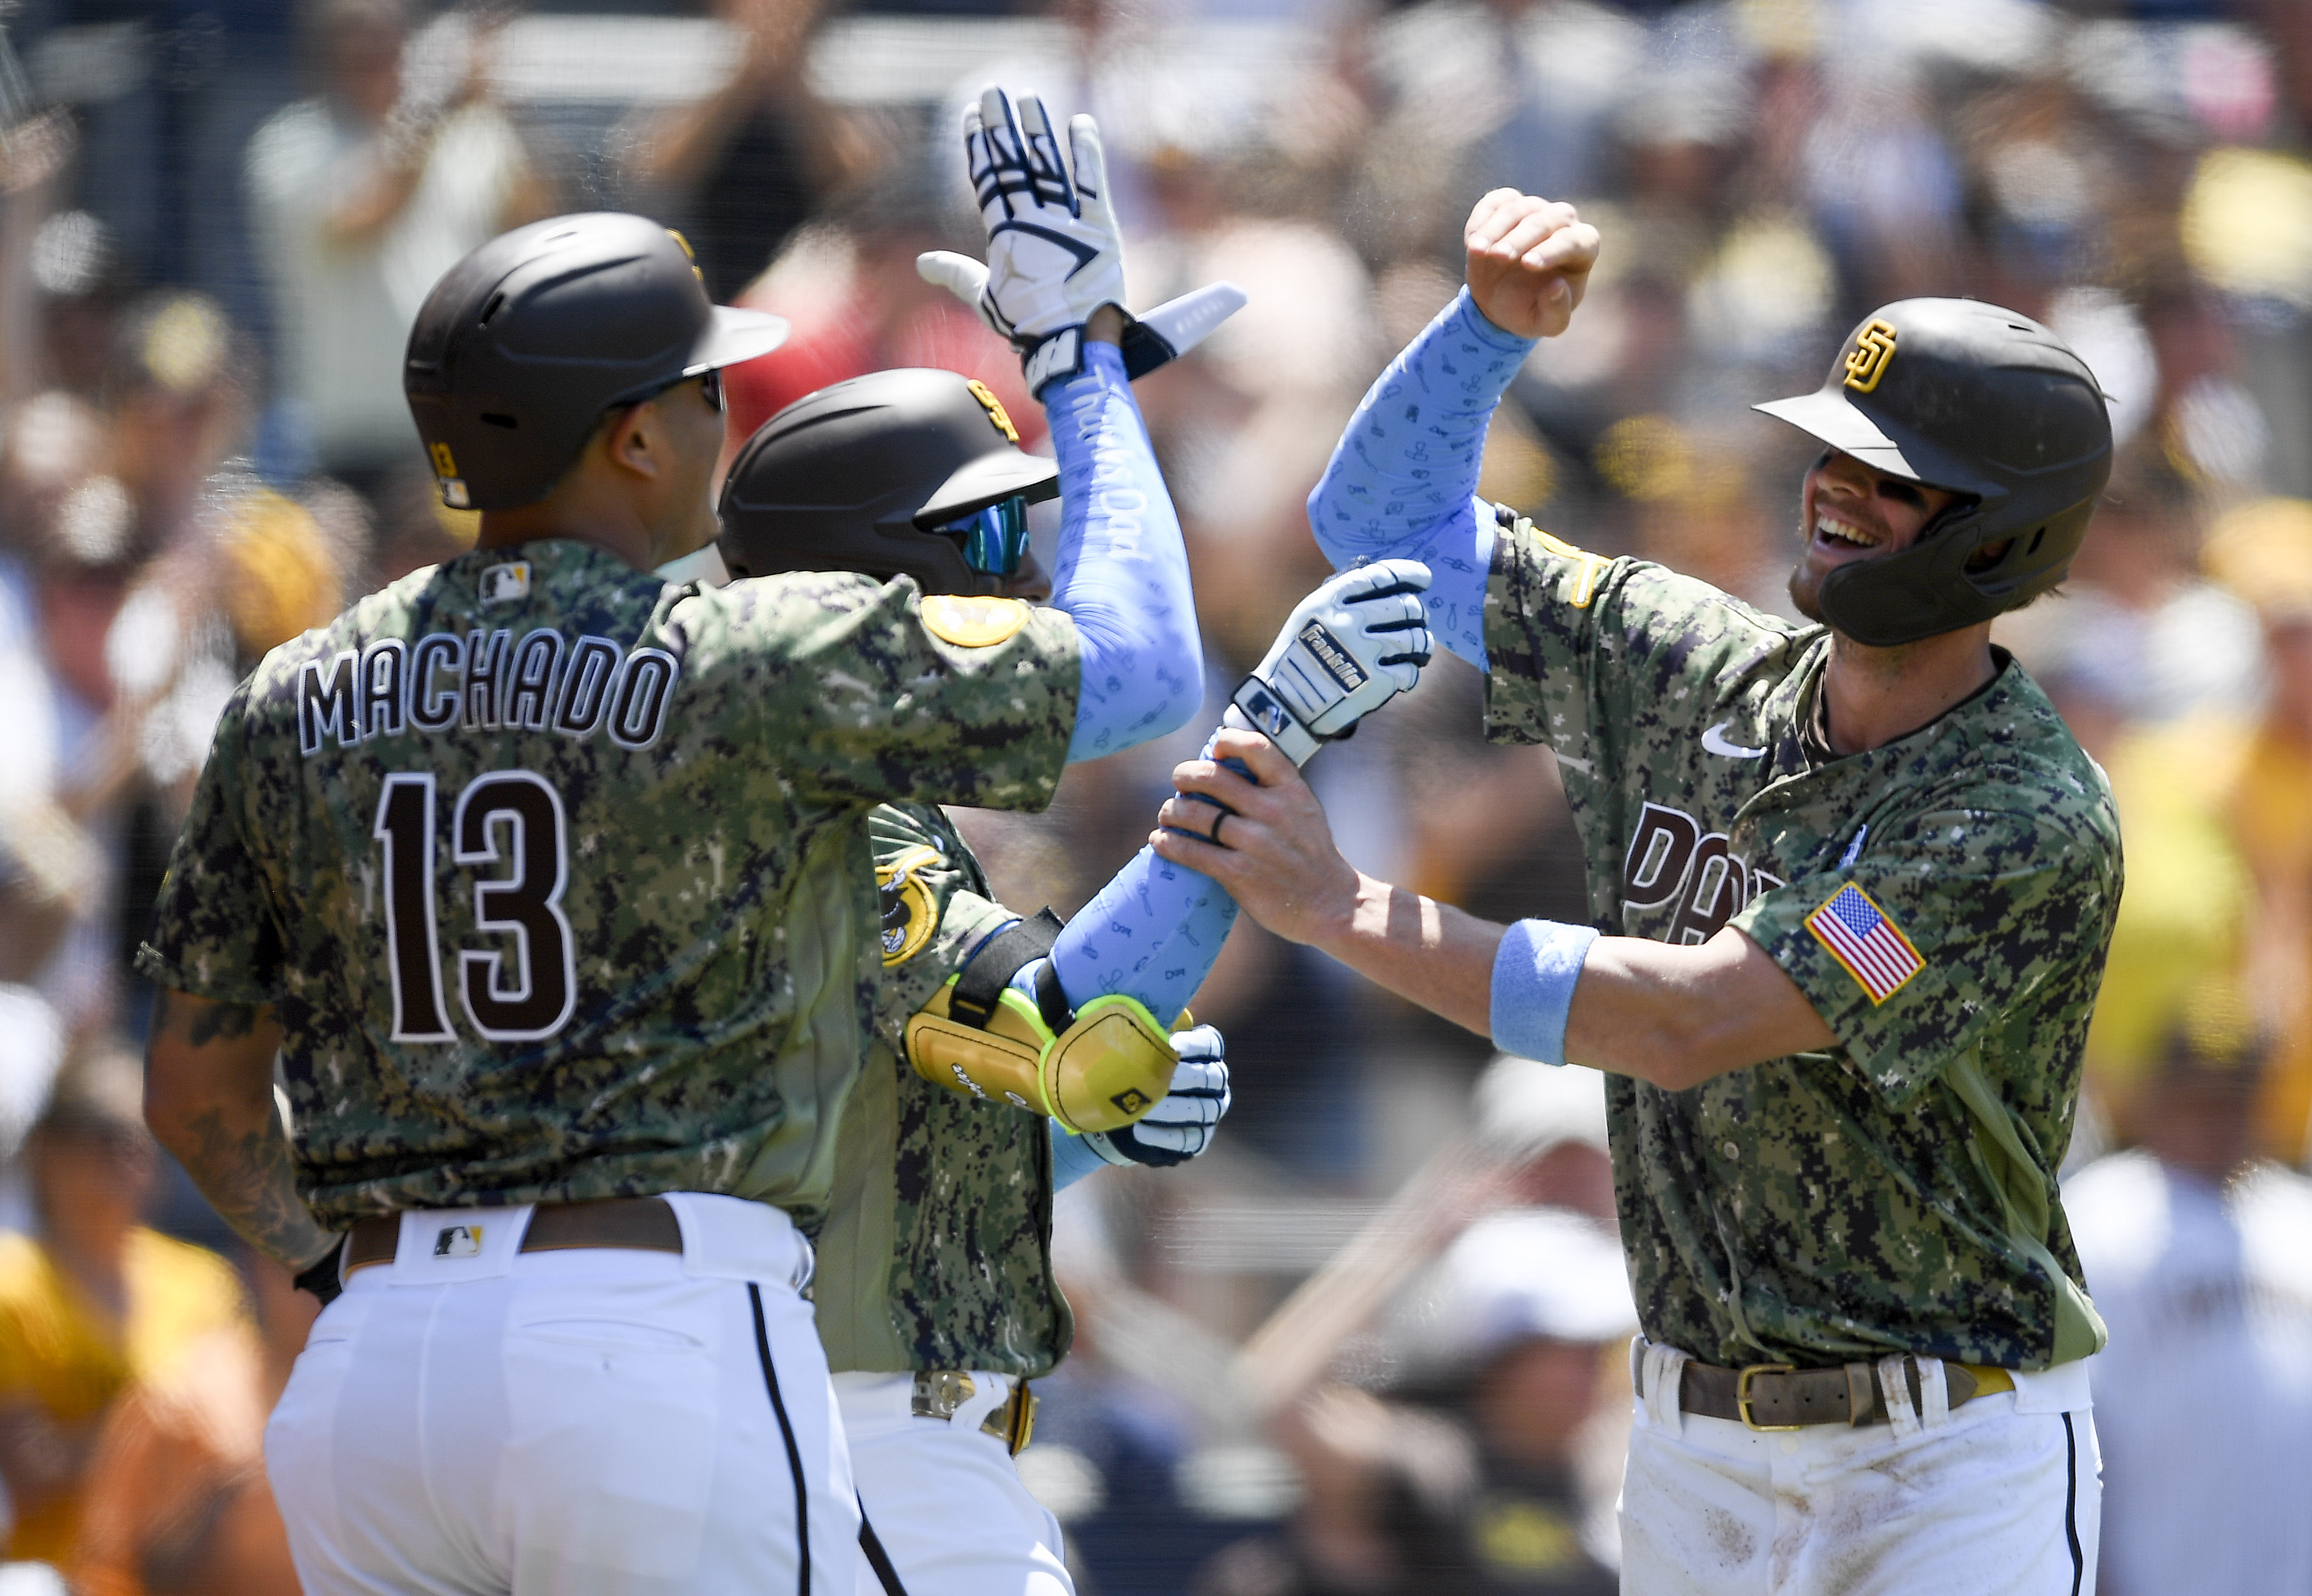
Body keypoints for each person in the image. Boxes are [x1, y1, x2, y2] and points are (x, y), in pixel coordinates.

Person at [133, 98, 1209, 1592]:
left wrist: (333, 1265)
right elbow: (1147, 664)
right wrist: (1078, 356)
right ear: (633, 434)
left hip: (371, 1373)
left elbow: (191, 1088)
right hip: (642, 1331)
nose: (728, 409)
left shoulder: (292, 688)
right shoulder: (735, 652)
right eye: (706, 386)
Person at [1152, 189, 2121, 1594]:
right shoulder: (1693, 665)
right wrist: (1485, 332)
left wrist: (1341, 906)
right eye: (1832, 450)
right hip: (1690, 1437)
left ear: (2002, 534)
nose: (1835, 485)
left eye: (1891, 473)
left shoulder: (2017, 810)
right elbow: (1375, 517)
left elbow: (1694, 1019)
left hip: (1945, 1451)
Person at [714, 92, 1433, 1596]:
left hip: (825, 1414)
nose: (1030, 564)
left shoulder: (807, 786)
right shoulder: (795, 798)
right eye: (989, 533)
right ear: (871, 574)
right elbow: (1140, 687)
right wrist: (1264, 745)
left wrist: (1083, 1100)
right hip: (840, 1436)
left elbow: (1003, 1087)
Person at [2066, 990, 2312, 1596]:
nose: (2218, 1119)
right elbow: (2072, 1436)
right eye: (2201, 1099)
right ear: (2159, 1097)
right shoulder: (2099, 1217)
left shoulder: (2297, 1219)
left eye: (2234, 1098)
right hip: (2151, 1574)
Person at [0, 1041, 255, 1572]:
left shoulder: (205, 1280)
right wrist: (165, 1417)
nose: (122, 1161)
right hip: (55, 1573)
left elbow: (242, 1446)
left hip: (180, 1577)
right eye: (99, 1139)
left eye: (141, 1141)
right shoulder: (12, 1280)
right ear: (48, 1151)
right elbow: (33, 1473)